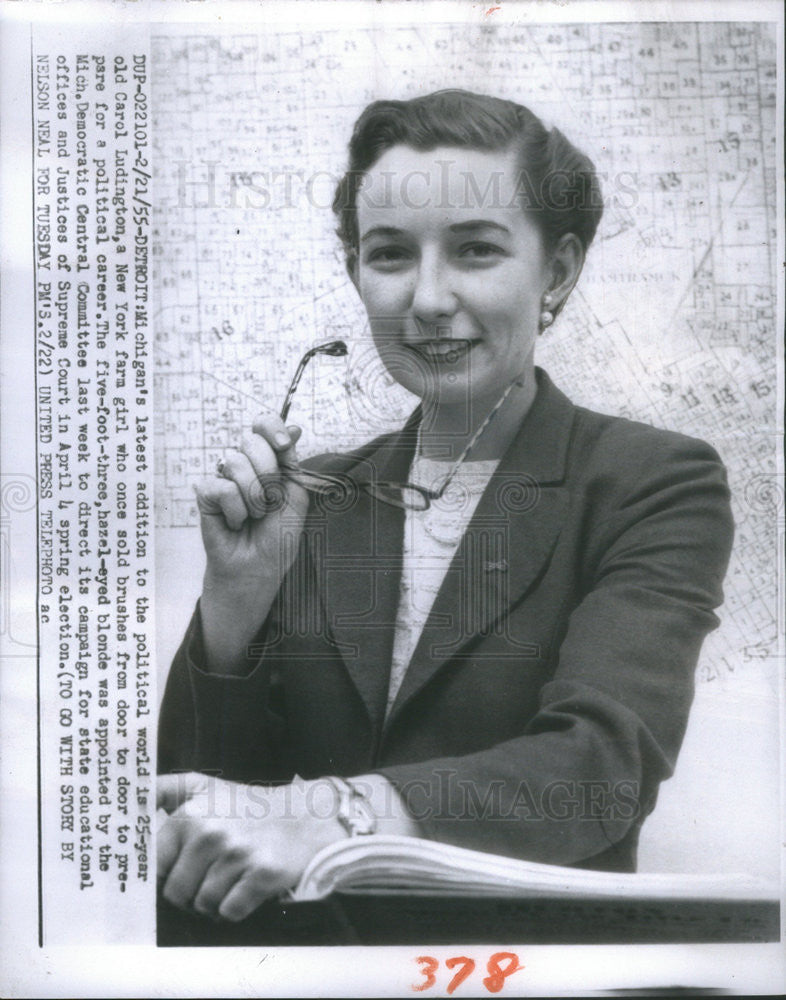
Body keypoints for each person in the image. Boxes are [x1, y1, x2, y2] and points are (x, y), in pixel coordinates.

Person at [157, 90, 734, 924]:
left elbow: (599, 768)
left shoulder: (649, 481)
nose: (427, 298)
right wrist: (235, 608)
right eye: (390, 254)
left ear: (559, 271)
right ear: (356, 269)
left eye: (475, 251)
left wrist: (338, 815)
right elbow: (203, 814)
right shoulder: (313, 495)